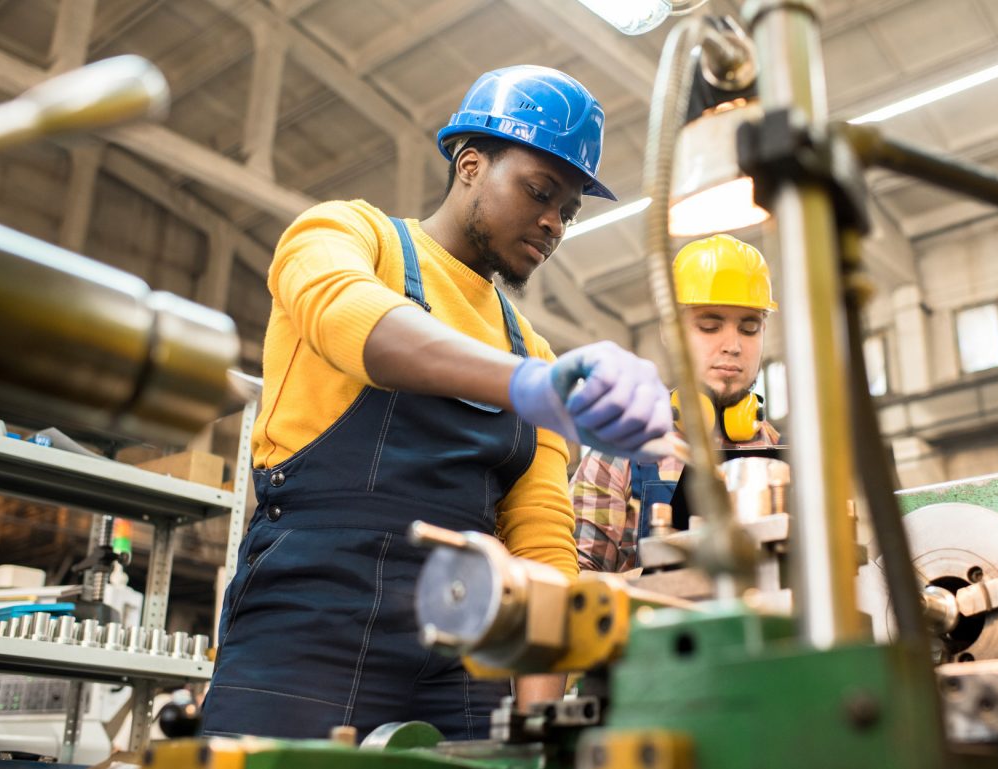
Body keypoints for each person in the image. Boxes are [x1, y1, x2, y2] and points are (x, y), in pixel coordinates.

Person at [201, 65, 672, 741]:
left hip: (466, 649)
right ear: (472, 164)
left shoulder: (529, 345)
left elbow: (540, 543)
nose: (554, 223)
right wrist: (525, 386)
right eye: (540, 192)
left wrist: (540, 722)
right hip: (308, 622)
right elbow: (350, 315)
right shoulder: (350, 236)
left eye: (568, 210)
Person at [572, 234, 781, 572]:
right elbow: (576, 585)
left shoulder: (778, 455)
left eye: (749, 328)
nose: (733, 345)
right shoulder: (618, 451)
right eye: (710, 326)